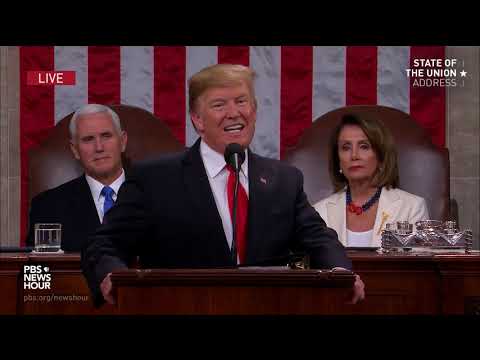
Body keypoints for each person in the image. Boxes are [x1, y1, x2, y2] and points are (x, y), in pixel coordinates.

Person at [81, 64, 365, 306]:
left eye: (242, 102)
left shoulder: (284, 179)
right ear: (197, 120)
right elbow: (103, 244)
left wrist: (341, 273)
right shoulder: (156, 179)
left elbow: (318, 239)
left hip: (268, 308)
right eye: (219, 105)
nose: (233, 113)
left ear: (253, 111)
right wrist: (111, 276)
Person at [313, 113, 429, 248]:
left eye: (364, 146)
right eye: (346, 147)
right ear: (338, 160)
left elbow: (417, 266)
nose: (354, 155)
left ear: (381, 156)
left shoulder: (412, 208)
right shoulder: (320, 212)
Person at [26, 104, 128, 252]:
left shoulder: (155, 198)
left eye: (106, 136)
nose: (99, 147)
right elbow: (35, 272)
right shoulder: (48, 207)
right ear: (75, 150)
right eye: (88, 139)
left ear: (123, 141)